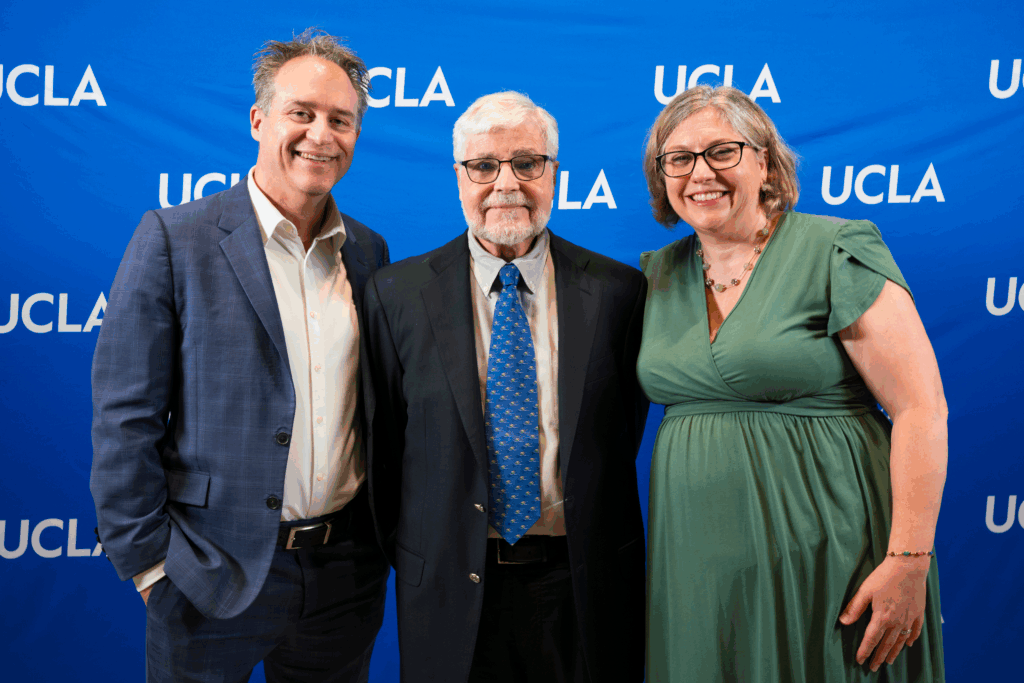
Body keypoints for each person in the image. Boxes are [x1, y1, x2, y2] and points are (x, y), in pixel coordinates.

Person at [90, 29, 390, 683]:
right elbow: (123, 420)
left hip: (344, 577)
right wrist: (151, 566)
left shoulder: (368, 253)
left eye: (341, 120)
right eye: (301, 113)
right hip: (206, 573)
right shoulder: (174, 238)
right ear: (259, 119)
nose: (321, 134)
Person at [637, 84, 947, 682]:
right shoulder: (656, 274)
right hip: (698, 570)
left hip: (833, 557)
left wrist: (909, 561)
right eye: (679, 159)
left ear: (764, 161)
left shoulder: (835, 247)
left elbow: (921, 409)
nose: (700, 173)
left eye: (722, 151)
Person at [363, 91, 649, 683]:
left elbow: (619, 429)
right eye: (484, 165)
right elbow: (384, 450)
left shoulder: (620, 292)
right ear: (459, 176)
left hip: (582, 580)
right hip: (448, 582)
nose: (507, 183)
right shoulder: (396, 294)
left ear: (555, 172)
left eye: (527, 163)